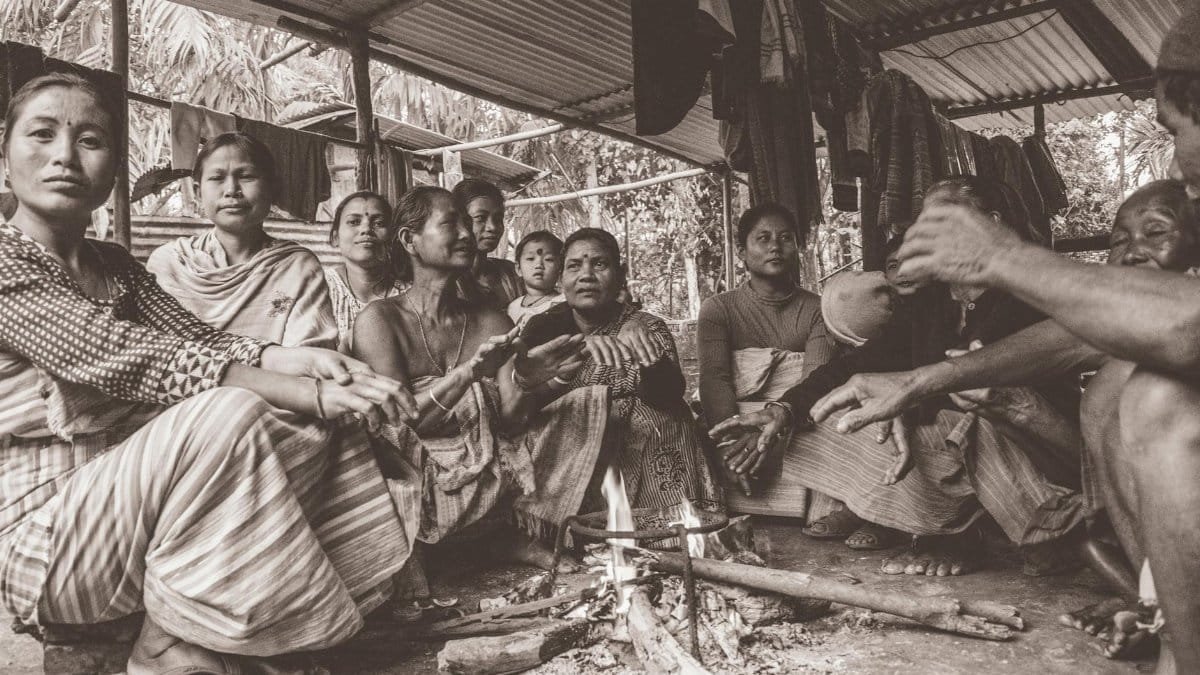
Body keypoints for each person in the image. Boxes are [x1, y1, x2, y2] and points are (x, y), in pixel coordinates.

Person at [0, 72, 417, 673]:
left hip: (139, 524)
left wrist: (302, 360)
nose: (65, 154)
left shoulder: (114, 263)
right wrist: (304, 391)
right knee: (236, 409)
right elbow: (124, 352)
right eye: (42, 135)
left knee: (317, 423)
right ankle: (173, 645)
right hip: (45, 542)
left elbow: (199, 339)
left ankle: (193, 626)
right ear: (5, 158)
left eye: (90, 140)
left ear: (113, 169)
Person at [809, 177, 1200, 671]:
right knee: (1107, 396)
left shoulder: (1031, 297)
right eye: (1119, 240)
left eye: (1156, 232)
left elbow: (1153, 331)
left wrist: (1004, 262)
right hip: (1074, 476)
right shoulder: (934, 304)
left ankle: (1172, 629)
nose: (1133, 251)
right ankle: (1160, 608)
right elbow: (1067, 341)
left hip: (1054, 464)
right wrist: (912, 387)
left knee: (1135, 398)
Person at [711, 176, 1084, 577]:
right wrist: (783, 409)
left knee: (964, 419)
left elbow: (983, 383)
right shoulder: (930, 302)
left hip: (1040, 451)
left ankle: (1048, 531)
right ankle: (953, 530)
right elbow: (856, 365)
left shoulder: (1029, 293)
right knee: (822, 419)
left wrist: (907, 401)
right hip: (954, 434)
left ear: (992, 223)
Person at [353, 186, 605, 565]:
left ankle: (499, 537)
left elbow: (511, 423)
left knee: (585, 403)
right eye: (450, 224)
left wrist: (529, 382)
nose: (467, 234)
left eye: (465, 224)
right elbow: (401, 424)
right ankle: (461, 546)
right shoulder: (379, 320)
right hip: (417, 463)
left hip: (487, 456)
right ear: (409, 240)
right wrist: (468, 375)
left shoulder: (492, 320)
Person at [523, 228, 723, 514]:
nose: (586, 275)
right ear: (561, 278)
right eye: (574, 266)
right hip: (570, 453)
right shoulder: (542, 328)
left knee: (660, 416)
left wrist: (645, 357)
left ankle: (670, 522)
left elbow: (667, 394)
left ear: (620, 275)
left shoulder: (645, 326)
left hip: (646, 451)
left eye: (599, 264)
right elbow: (522, 399)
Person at [696, 204, 859, 540]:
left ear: (797, 248)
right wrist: (731, 443)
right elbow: (715, 380)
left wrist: (768, 430)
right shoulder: (718, 309)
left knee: (837, 412)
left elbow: (813, 380)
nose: (775, 246)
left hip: (793, 420)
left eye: (785, 238)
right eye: (763, 238)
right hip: (737, 427)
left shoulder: (818, 309)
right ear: (742, 252)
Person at [147, 132, 338, 348]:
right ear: (199, 194)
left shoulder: (297, 267)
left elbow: (310, 355)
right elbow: (155, 351)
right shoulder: (170, 263)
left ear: (272, 189)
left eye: (246, 176)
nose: (231, 190)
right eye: (217, 178)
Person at [324, 190, 399, 353]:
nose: (366, 229)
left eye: (379, 223)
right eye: (354, 222)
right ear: (335, 237)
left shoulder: (409, 293)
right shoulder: (319, 288)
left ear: (393, 237)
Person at [453, 178, 522, 308]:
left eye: (498, 219)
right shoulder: (446, 282)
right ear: (459, 222)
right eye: (481, 218)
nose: (492, 227)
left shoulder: (511, 273)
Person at [508, 229, 564, 326]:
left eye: (548, 259)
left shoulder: (563, 303)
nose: (539, 265)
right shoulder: (512, 307)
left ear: (560, 268)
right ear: (518, 269)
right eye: (530, 259)